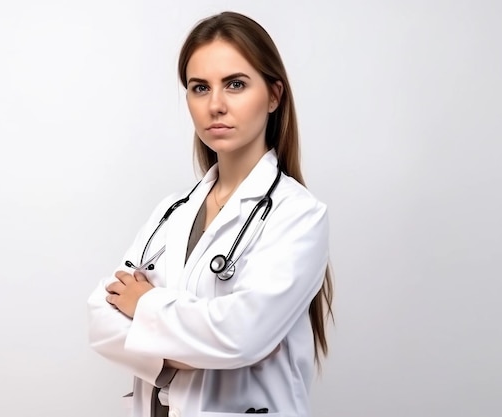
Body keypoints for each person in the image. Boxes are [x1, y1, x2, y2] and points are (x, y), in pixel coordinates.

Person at [88, 11, 333, 417]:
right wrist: (203, 347)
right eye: (200, 88)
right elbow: (100, 317)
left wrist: (145, 309)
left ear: (274, 96)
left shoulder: (299, 216)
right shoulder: (172, 211)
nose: (215, 105)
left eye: (235, 84)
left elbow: (240, 335)